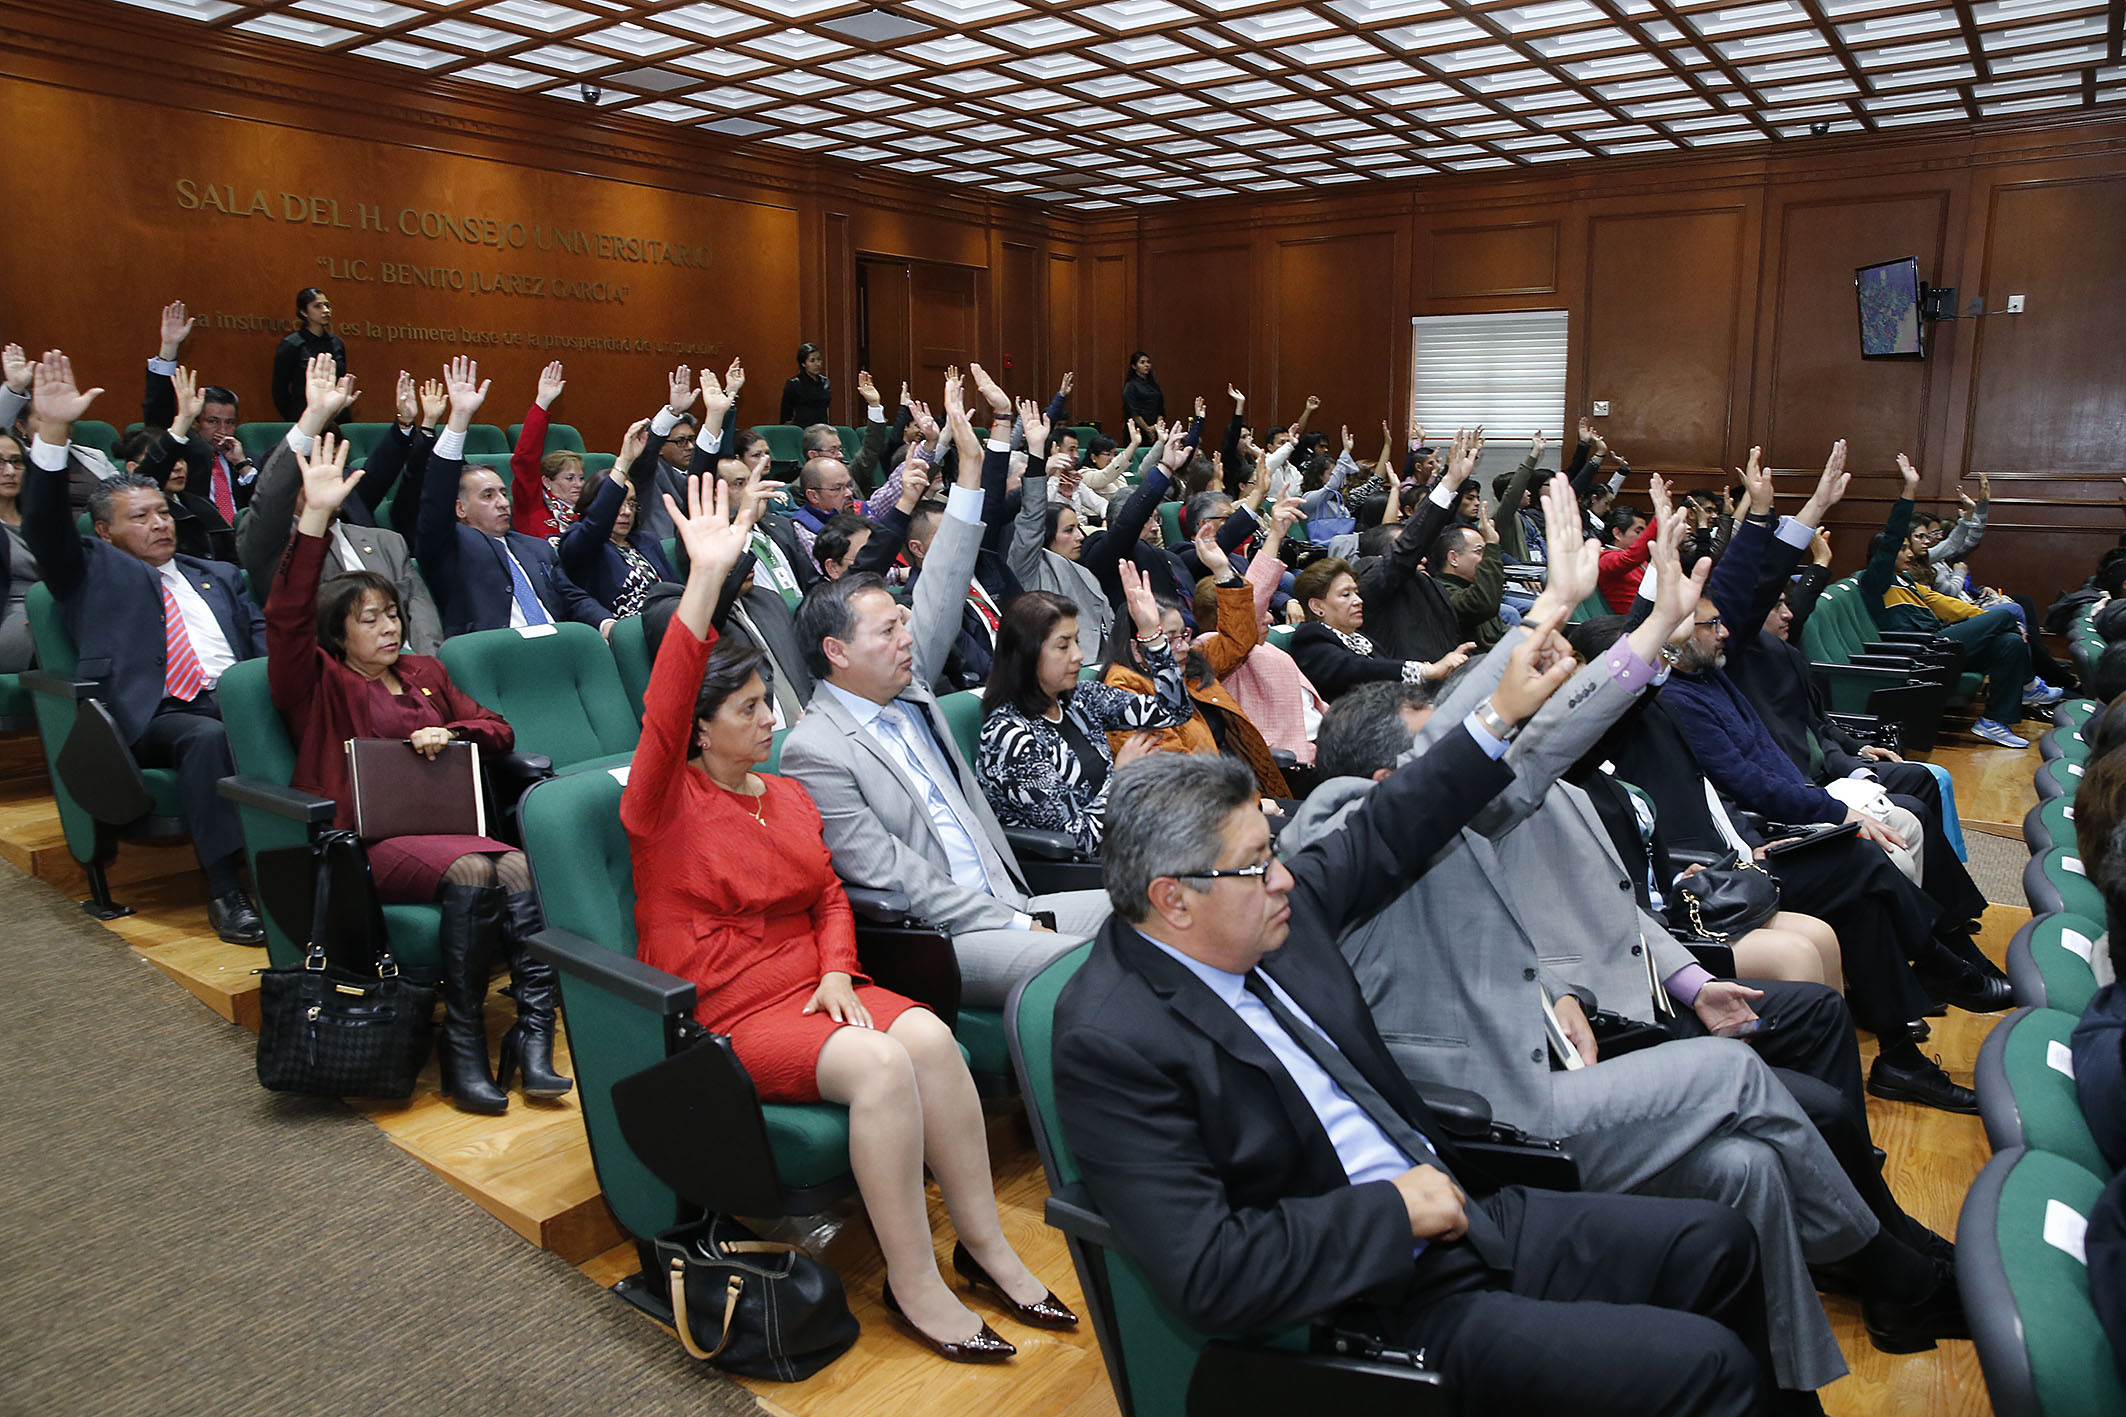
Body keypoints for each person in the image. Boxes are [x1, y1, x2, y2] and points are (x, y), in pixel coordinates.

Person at [1289, 497, 1964, 1383]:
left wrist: (1651, 636)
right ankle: (1889, 1266)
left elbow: (1543, 742)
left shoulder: (1457, 815)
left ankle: (1795, 1384)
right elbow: (1464, 747)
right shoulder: (1334, 825)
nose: (1468, 764)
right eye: (1438, 756)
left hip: (1549, 1064)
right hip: (1491, 1115)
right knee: (1735, 1072)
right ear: (1391, 775)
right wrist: (1543, 611)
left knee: (1748, 1166)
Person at [1054, 650, 1797, 1416]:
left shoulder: (1273, 920)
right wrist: (1394, 1211)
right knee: (1709, 1367)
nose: (1283, 879)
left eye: (1272, 853)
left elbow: (1398, 817)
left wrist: (1499, 712)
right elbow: (1210, 1270)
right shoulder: (1111, 1039)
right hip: (1373, 1305)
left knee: (1720, 1243)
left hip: (1463, 1217)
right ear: (1173, 899)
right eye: (1255, 865)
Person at [626, 471, 1073, 1361]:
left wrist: (837, 966)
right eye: (750, 709)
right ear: (700, 728)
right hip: (732, 1011)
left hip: (823, 986)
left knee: (935, 1043)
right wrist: (708, 580)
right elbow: (665, 697)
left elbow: (832, 894)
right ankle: (915, 1285)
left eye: (767, 702)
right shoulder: (661, 804)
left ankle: (983, 1247)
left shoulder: (785, 793)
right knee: (879, 1062)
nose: (768, 720)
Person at [268, 432, 567, 1114]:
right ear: (337, 632)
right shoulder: (318, 681)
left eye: (392, 614)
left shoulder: (427, 674)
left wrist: (450, 729)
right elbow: (285, 617)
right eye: (367, 619)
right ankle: (462, 1048)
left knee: (516, 867)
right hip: (367, 841)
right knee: (473, 870)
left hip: (443, 829)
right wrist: (314, 520)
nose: (386, 627)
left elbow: (498, 728)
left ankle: (532, 1038)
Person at [779, 402, 1113, 1008]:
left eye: (903, 624)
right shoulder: (816, 749)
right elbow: (890, 876)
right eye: (887, 631)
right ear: (837, 651)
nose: (909, 637)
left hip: (1013, 899)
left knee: (1169, 906)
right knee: (1101, 969)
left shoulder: (909, 692)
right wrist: (1013, 923)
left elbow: (943, 581)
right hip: (946, 935)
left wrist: (969, 470)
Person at [21, 351, 265, 945]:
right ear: (104, 531)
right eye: (140, 517)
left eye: (162, 512)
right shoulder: (88, 570)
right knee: (206, 737)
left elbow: (261, 644)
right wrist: (52, 435)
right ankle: (227, 891)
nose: (160, 524)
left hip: (236, 697)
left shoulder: (218, 573)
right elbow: (45, 524)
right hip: (157, 710)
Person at [240, 357, 444, 656]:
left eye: (335, 466)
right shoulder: (274, 548)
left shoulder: (386, 542)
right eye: (318, 468)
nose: (331, 476)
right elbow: (269, 498)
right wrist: (313, 417)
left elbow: (421, 614)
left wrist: (428, 668)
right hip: (339, 679)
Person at [977, 573, 1188, 853]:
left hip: (1131, 839)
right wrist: (1122, 777)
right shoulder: (1009, 737)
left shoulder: (1081, 699)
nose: (1078, 655)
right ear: (1026, 656)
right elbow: (1077, 841)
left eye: (1076, 641)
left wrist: (1151, 634)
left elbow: (1174, 710)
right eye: (1063, 646)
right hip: (1081, 871)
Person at [415, 357, 613, 640]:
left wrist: (607, 624)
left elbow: (573, 598)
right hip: (498, 656)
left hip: (558, 646)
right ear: (460, 508)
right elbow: (435, 499)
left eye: (503, 493)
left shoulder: (536, 548)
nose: (503, 502)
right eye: (488, 495)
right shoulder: (449, 545)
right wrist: (458, 418)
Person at [1860, 453, 2034, 748]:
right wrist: (1909, 490)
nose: (1910, 553)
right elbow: (1890, 539)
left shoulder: (1909, 582)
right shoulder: (1875, 582)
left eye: (1908, 549)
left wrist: (1988, 619)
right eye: (1902, 549)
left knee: (2011, 643)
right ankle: (2031, 686)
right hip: (1920, 651)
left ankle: (1994, 722)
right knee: (2008, 614)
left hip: (1941, 642)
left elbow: (1952, 607)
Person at [1102, 527, 1290, 800]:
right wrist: (1254, 805)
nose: (1180, 646)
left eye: (1183, 635)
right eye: (1168, 638)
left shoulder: (1187, 663)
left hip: (1240, 786)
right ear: (1138, 646)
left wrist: (1222, 570)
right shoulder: (1126, 688)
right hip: (1204, 809)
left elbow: (1239, 639)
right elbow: (1176, 773)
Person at [1287, 556, 1470, 701]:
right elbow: (1356, 668)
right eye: (1345, 594)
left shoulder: (1360, 638)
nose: (1358, 600)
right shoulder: (1310, 637)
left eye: (1356, 592)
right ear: (1317, 606)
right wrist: (1425, 671)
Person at [558, 450, 677, 621]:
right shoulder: (582, 543)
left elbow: (675, 589)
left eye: (631, 503)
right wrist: (624, 462)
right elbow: (595, 526)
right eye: (618, 504)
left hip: (669, 620)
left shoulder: (646, 540)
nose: (627, 512)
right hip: (627, 630)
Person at [508, 359, 581, 541]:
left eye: (581, 478)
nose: (578, 484)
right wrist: (542, 403)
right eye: (569, 478)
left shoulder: (588, 513)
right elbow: (525, 458)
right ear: (546, 481)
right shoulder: (533, 503)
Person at [271, 286, 347, 421]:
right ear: (304, 312)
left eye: (327, 305)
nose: (326, 310)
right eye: (318, 306)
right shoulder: (291, 344)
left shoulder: (337, 343)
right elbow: (279, 391)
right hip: (304, 415)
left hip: (336, 417)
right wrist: (294, 419)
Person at [0, 428, 36, 670]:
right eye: (0, 463)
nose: (10, 472)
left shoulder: (42, 520)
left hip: (56, 608)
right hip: (9, 614)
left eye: (16, 462)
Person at [780, 342, 831, 427]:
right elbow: (786, 413)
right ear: (803, 363)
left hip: (822, 427)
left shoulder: (825, 382)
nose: (817, 364)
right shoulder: (794, 384)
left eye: (819, 359)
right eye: (812, 360)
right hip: (802, 428)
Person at [1120, 350, 1162, 437]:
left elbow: (1161, 409)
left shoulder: (1154, 385)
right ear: (1134, 366)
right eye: (1142, 362)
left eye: (1148, 362)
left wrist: (1156, 427)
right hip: (1137, 429)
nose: (1147, 365)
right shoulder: (1130, 385)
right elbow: (1133, 412)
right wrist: (1147, 429)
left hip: (1156, 429)